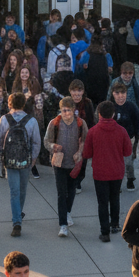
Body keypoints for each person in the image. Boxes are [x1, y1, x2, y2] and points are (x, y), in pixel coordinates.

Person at [83, 100, 132, 242]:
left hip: (100, 172)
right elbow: (128, 151)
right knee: (115, 197)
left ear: (99, 114)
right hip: (117, 171)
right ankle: (115, 224)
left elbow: (87, 154)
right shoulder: (122, 131)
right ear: (114, 114)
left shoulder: (93, 132)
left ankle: (104, 232)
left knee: (102, 202)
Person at [0, 92, 42, 238]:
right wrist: (33, 159)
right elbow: (36, 142)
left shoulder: (4, 119)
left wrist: (0, 158)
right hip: (25, 160)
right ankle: (18, 214)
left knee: (13, 191)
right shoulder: (31, 121)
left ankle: (17, 222)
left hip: (10, 160)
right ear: (23, 104)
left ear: (9, 104)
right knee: (22, 190)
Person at [43, 97, 87, 237]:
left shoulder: (80, 124)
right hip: (59, 163)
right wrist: (53, 146)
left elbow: (86, 141)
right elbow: (46, 141)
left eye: (68, 110)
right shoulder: (54, 123)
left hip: (74, 163)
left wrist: (80, 152)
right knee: (61, 193)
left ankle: (67, 212)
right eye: (63, 110)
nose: (66, 113)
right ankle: (63, 224)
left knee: (71, 190)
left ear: (74, 110)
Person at [111, 81, 139, 191]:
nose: (120, 96)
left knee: (128, 162)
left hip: (129, 139)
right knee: (115, 162)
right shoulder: (110, 107)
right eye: (117, 93)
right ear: (113, 94)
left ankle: (130, 178)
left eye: (123, 93)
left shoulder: (131, 107)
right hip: (114, 141)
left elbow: (137, 124)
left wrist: (136, 141)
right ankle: (117, 181)